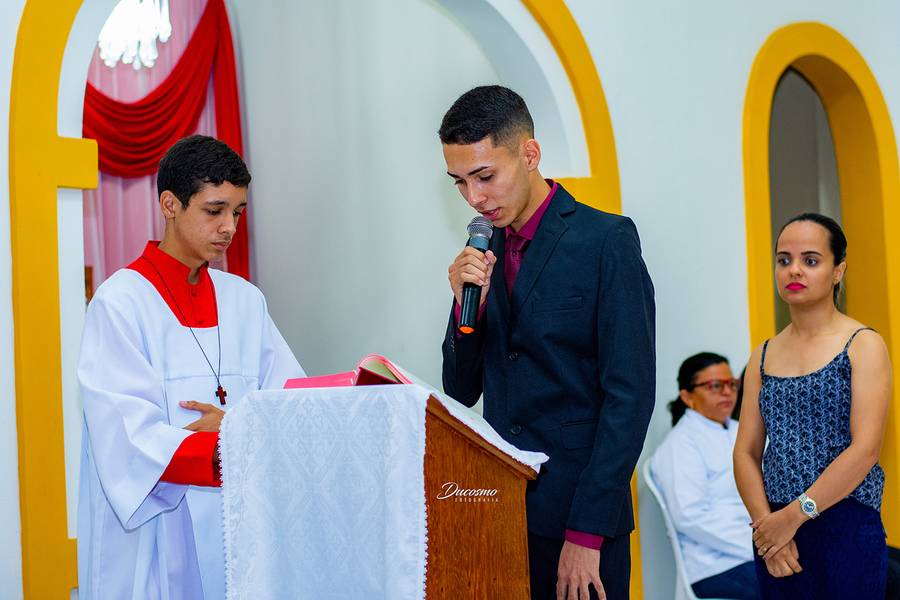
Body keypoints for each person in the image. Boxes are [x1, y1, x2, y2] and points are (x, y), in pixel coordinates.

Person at [439, 85, 655, 600]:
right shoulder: (481, 249)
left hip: (580, 518)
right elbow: (461, 389)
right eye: (460, 182)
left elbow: (629, 397)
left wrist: (587, 534)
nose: (475, 197)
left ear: (529, 154)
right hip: (499, 507)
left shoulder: (606, 241)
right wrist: (464, 305)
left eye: (485, 176)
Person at [77, 135, 305, 599]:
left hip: (238, 518)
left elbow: (290, 396)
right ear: (170, 204)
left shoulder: (245, 300)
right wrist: (224, 445)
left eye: (237, 212)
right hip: (160, 531)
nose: (228, 227)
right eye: (214, 210)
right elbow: (125, 432)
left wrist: (236, 430)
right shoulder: (121, 302)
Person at [733, 213, 889, 598]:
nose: (793, 270)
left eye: (810, 260)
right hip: (775, 536)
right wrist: (766, 526)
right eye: (783, 259)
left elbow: (865, 449)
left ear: (838, 271)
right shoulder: (763, 355)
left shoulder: (863, 344)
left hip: (846, 525)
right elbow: (745, 452)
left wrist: (794, 516)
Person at [651, 353, 760, 600]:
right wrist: (759, 547)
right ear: (687, 396)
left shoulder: (739, 431)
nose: (727, 392)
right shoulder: (680, 445)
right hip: (715, 565)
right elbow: (690, 517)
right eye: (714, 386)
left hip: (755, 550)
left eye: (731, 384)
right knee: (793, 585)